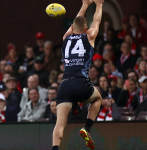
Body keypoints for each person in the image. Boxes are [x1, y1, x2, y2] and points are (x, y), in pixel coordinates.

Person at [52, 0, 104, 150]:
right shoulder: (90, 36)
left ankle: (55, 148)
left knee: (59, 124)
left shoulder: (65, 38)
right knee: (98, 98)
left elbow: (76, 22)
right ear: (86, 28)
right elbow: (97, 21)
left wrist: (84, 5)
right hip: (81, 83)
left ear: (72, 28)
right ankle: (86, 128)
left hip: (65, 85)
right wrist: (99, 5)